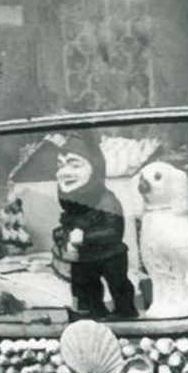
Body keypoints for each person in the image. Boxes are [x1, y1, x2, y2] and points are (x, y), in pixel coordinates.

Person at [50, 132, 138, 320]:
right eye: (61, 165)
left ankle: (125, 311)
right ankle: (92, 311)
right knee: (84, 285)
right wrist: (62, 235)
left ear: (94, 169)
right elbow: (69, 223)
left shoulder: (107, 200)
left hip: (110, 256)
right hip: (85, 257)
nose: (64, 172)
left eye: (74, 164)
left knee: (118, 283)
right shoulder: (73, 202)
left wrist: (85, 237)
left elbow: (114, 231)